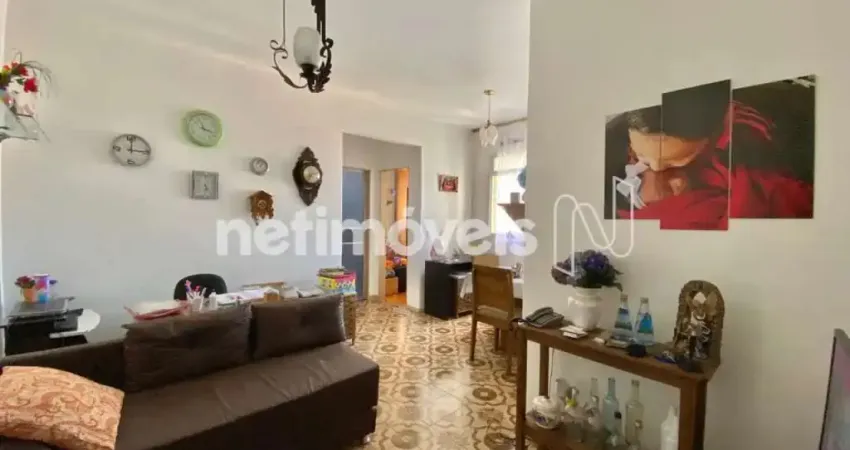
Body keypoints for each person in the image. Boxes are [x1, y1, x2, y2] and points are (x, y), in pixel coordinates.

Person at [604, 79, 814, 230]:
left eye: (675, 160)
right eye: (641, 155)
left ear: (712, 138)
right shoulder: (618, 136)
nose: (656, 168)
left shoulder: (747, 144)